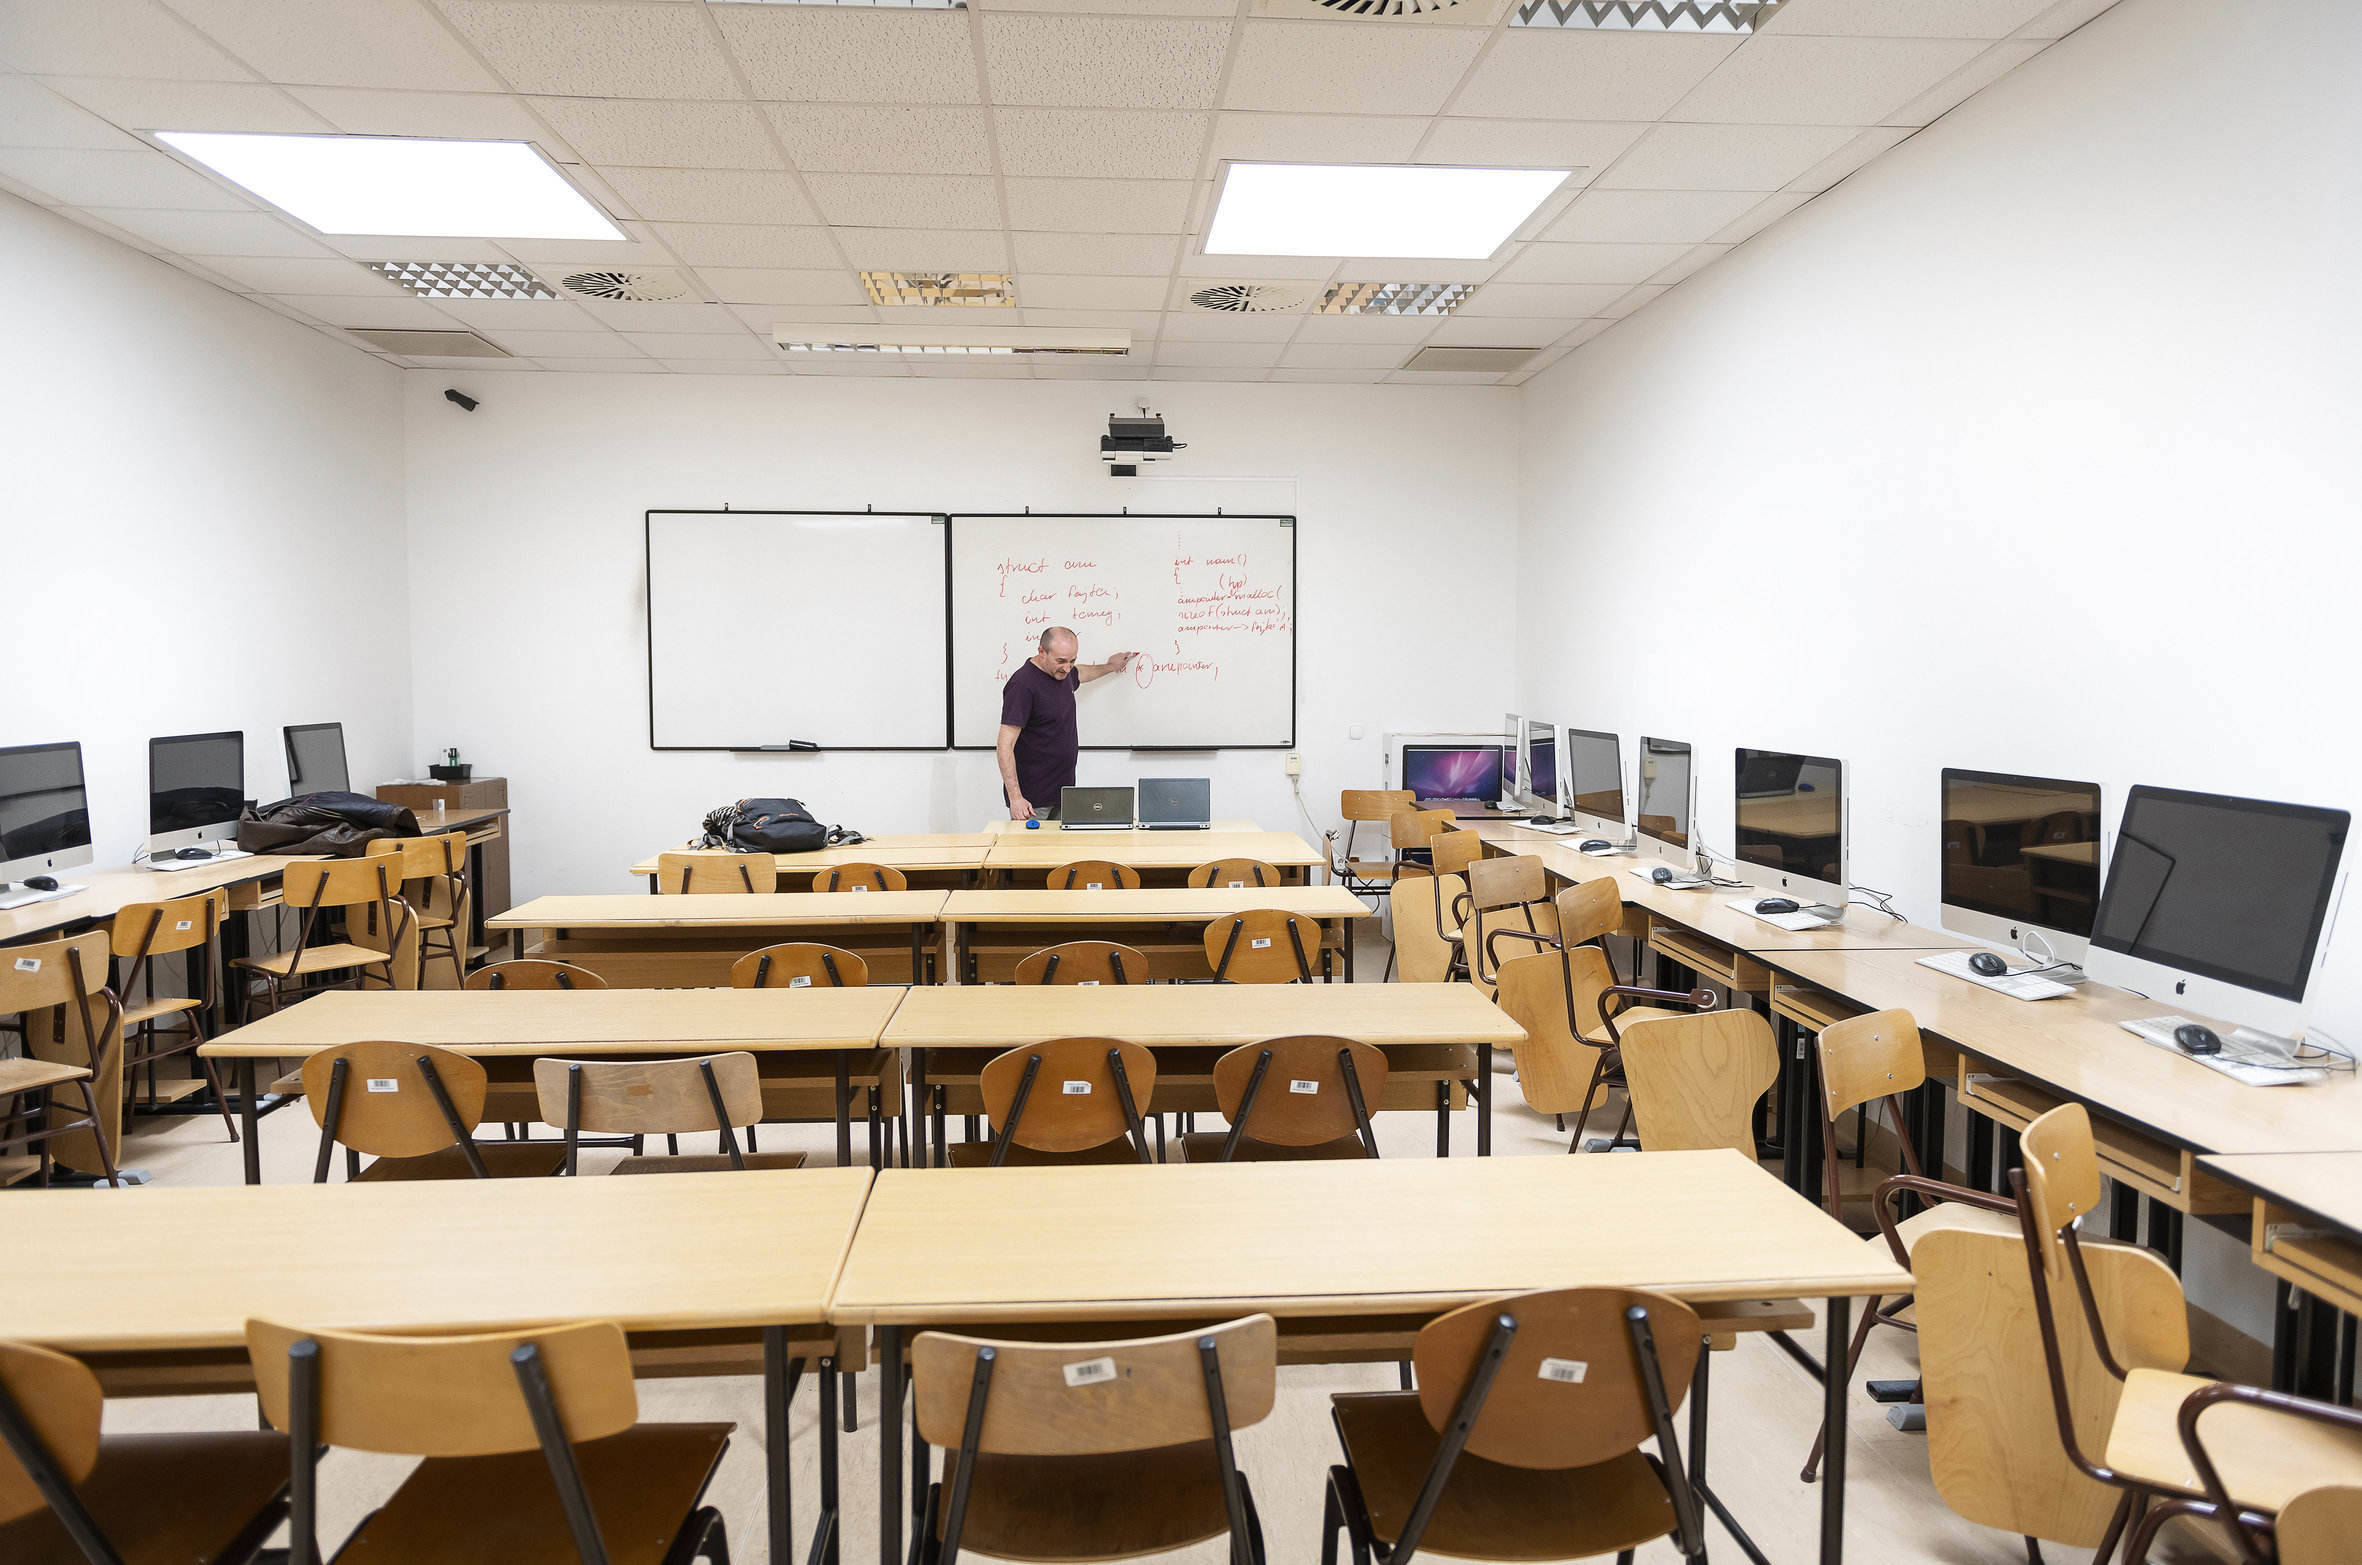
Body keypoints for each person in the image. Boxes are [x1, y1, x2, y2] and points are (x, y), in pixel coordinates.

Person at [996, 626, 1135, 821]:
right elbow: (1005, 745)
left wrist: (1110, 666)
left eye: (1072, 661)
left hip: (1064, 793)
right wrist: (1016, 798)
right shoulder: (1023, 685)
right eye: (1061, 661)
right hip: (1032, 801)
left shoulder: (1063, 673)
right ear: (1041, 652)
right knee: (1033, 852)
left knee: (1061, 851)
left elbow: (1082, 673)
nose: (1067, 668)